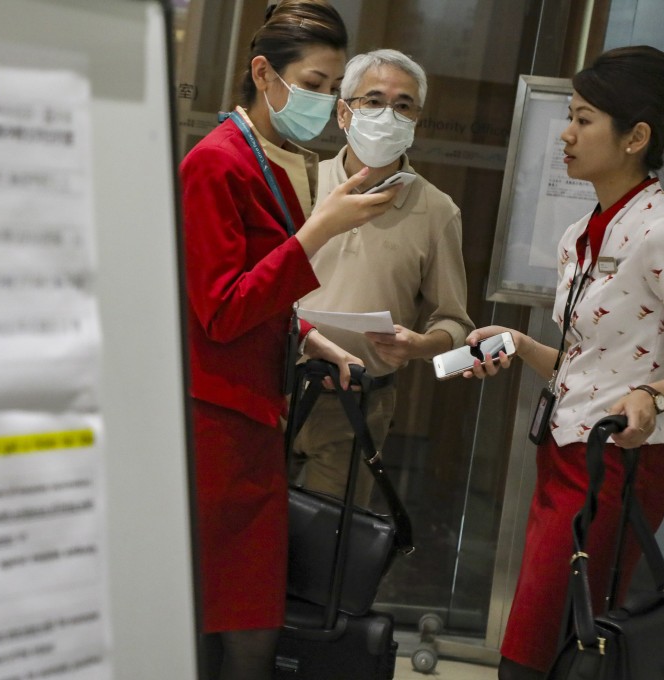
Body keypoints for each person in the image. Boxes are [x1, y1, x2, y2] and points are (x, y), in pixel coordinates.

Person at [463, 45, 664, 680]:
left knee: (535, 659)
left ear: (637, 137)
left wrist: (656, 398)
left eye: (584, 119)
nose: (565, 135)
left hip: (613, 473)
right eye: (569, 116)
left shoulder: (663, 233)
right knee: (541, 654)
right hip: (562, 460)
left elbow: (639, 385)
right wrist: (518, 347)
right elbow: (590, 365)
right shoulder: (584, 231)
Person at [179, 1, 403, 678]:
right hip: (212, 429)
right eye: (310, 84)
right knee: (226, 624)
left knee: (246, 621)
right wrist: (321, 230)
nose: (321, 101)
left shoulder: (275, 160)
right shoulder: (215, 165)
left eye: (330, 88)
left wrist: (306, 338)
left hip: (251, 421)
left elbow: (257, 297)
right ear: (261, 73)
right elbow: (217, 310)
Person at [291, 49, 473, 507]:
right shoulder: (299, 180)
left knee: (326, 544)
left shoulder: (437, 210)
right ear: (343, 112)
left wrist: (420, 345)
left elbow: (456, 324)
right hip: (275, 384)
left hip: (356, 404)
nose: (387, 114)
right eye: (372, 101)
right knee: (247, 535)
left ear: (416, 121)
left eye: (403, 105)